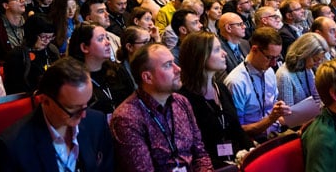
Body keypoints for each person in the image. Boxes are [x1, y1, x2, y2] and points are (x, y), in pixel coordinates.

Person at [0, 57, 114, 172]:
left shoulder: (97, 122)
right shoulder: (13, 147)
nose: (83, 115)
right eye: (73, 109)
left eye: (86, 104)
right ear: (45, 100)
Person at [110, 43, 213, 171]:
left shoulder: (181, 102)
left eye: (174, 62)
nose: (178, 69)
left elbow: (200, 154)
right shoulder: (127, 118)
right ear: (148, 77)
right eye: (168, 65)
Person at [178, 32, 254, 168]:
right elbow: (193, 150)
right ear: (200, 56)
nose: (224, 53)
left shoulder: (221, 88)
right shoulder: (183, 99)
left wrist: (252, 152)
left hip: (235, 160)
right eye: (217, 50)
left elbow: (237, 129)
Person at [224, 27, 291, 143]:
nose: (274, 63)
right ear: (254, 50)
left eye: (277, 58)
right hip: (253, 141)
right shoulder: (236, 82)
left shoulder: (269, 71)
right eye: (269, 57)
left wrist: (279, 109)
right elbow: (237, 130)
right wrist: (271, 119)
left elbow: (272, 103)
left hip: (276, 132)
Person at [68, 22, 134, 117]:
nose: (108, 42)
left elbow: (133, 102)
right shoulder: (73, 79)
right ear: (84, 47)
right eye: (100, 39)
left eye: (106, 37)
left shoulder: (117, 70)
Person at [4, 14, 60, 94]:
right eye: (43, 37)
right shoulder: (16, 55)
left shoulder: (52, 50)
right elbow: (14, 88)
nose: (47, 41)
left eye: (50, 37)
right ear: (32, 35)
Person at [276, 32, 327, 108]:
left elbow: (317, 99)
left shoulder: (306, 68)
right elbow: (288, 113)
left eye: (320, 60)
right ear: (304, 54)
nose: (317, 64)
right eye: (315, 60)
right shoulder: (284, 76)